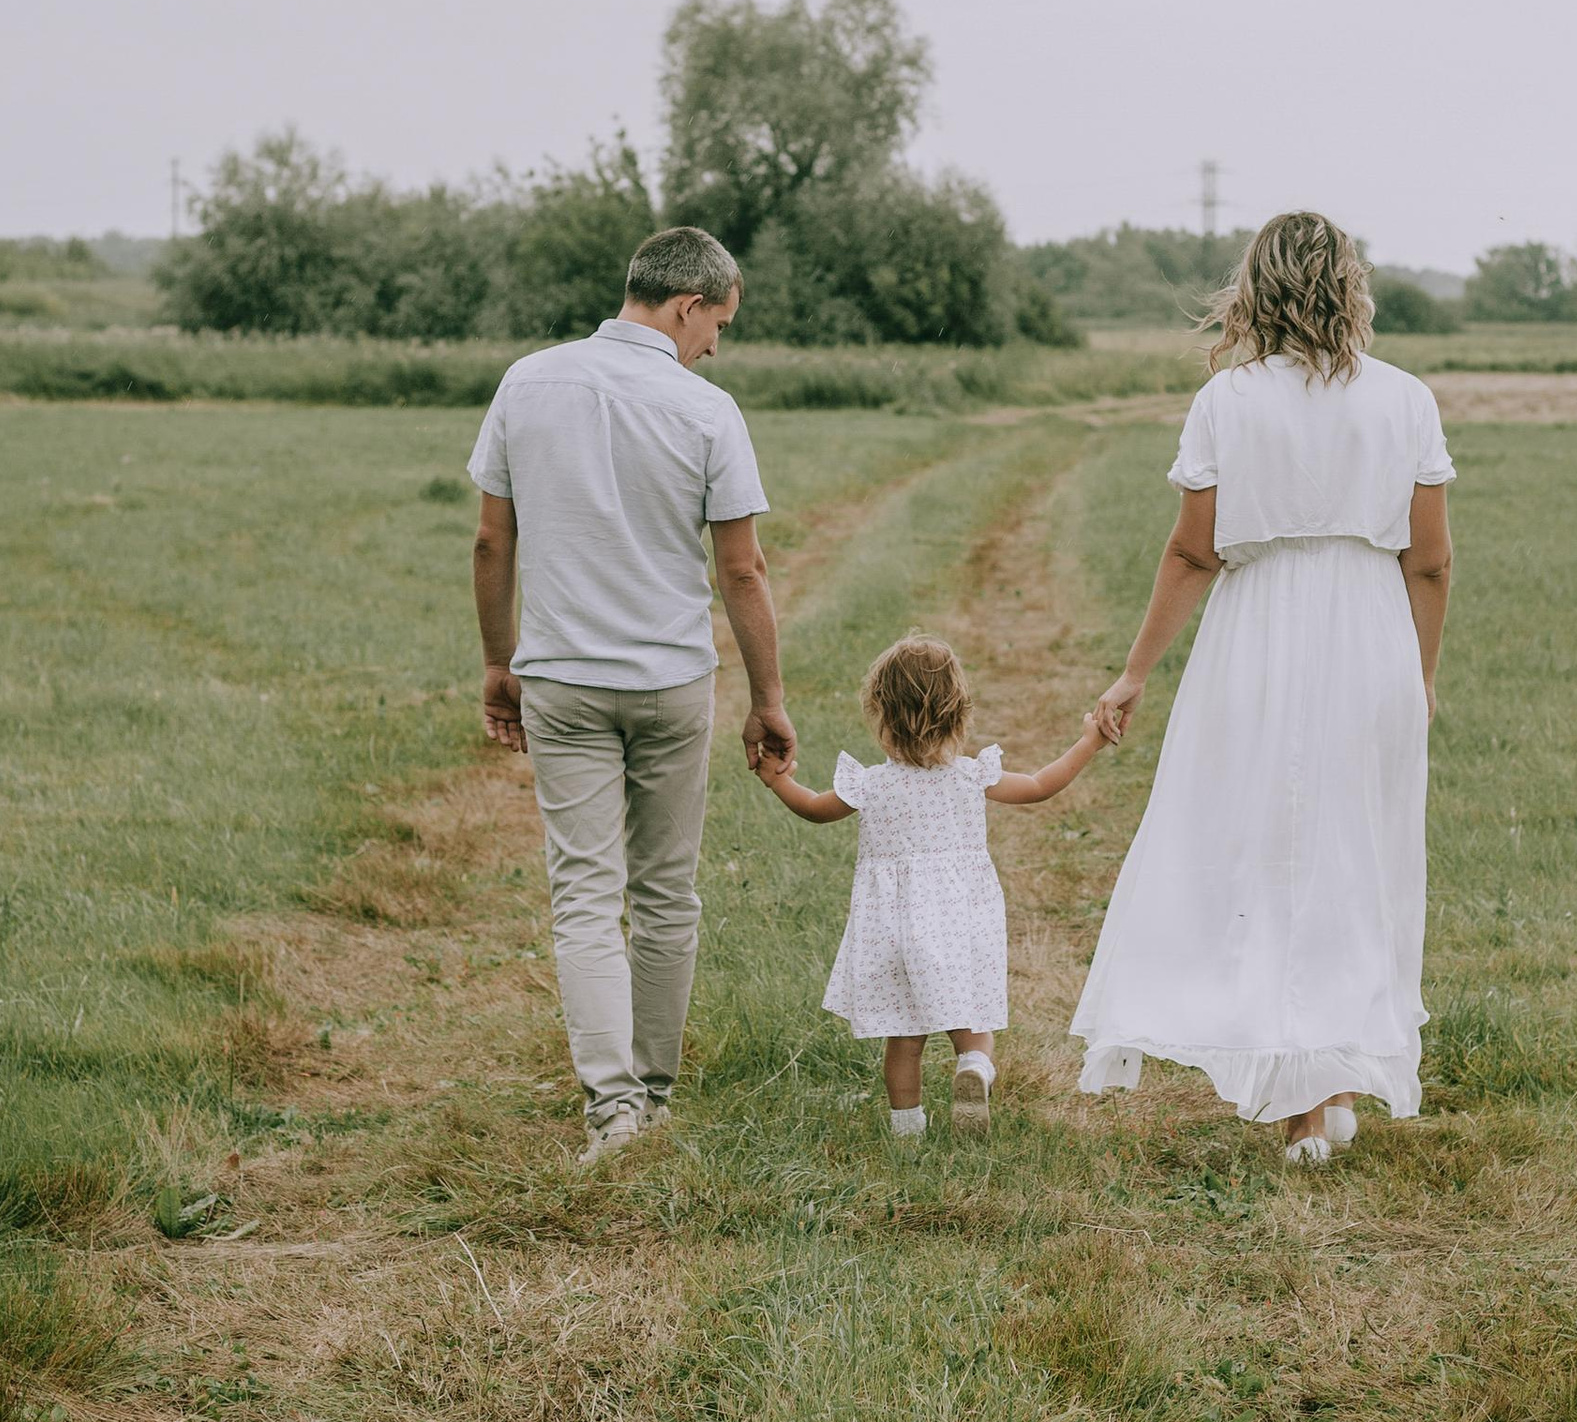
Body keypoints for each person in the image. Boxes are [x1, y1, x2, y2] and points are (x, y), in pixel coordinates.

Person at [1070, 210, 1454, 1168]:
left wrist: (1135, 672)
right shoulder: (1405, 399)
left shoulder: (1228, 401)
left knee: (1269, 849)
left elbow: (1193, 553)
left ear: (1257, 289)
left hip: (1259, 636)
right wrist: (1420, 674)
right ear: (1349, 285)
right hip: (1371, 636)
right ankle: (1321, 1088)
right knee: (1354, 853)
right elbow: (1431, 562)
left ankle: (1310, 1102)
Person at [468, 224, 795, 1161]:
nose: (715, 347)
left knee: (584, 893)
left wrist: (499, 663)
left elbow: (492, 540)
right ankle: (650, 1096)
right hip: (670, 682)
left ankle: (610, 1110)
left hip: (562, 677)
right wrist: (767, 699)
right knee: (665, 893)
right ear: (688, 305)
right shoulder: (707, 411)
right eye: (718, 325)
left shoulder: (527, 382)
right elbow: (742, 571)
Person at [757, 633, 1112, 1138]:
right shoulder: (969, 776)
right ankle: (974, 1067)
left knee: (904, 1036)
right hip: (959, 921)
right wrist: (1089, 742)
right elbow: (1039, 786)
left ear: (881, 714)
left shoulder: (872, 784)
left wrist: (777, 780)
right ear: (958, 713)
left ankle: (907, 1133)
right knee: (971, 1023)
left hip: (893, 927)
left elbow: (815, 808)